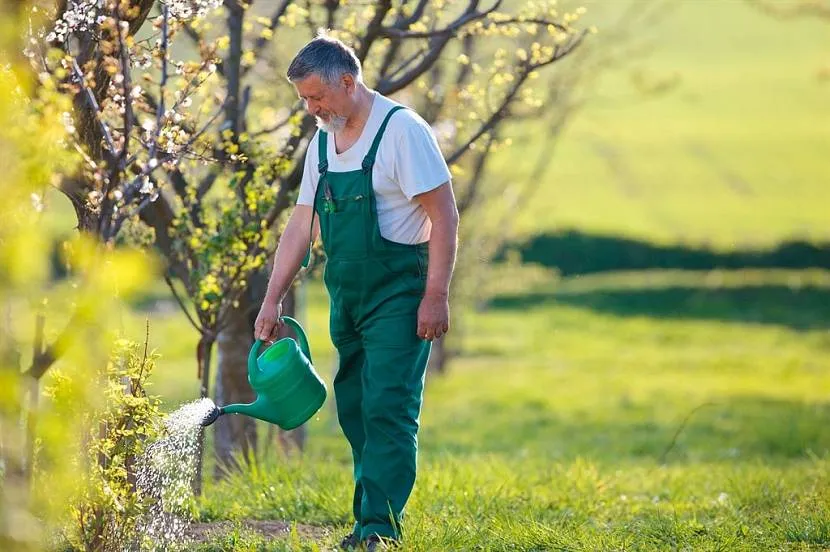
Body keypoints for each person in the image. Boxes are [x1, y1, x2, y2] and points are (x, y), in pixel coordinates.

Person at [254, 31, 459, 551]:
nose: (310, 108)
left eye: (317, 97)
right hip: (348, 295)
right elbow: (302, 225)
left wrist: (436, 295)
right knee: (354, 405)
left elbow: (444, 214)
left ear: (348, 82)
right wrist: (271, 297)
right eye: (303, 99)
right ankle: (368, 518)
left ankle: (379, 529)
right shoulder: (323, 141)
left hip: (400, 290)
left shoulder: (401, 131)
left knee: (387, 404)